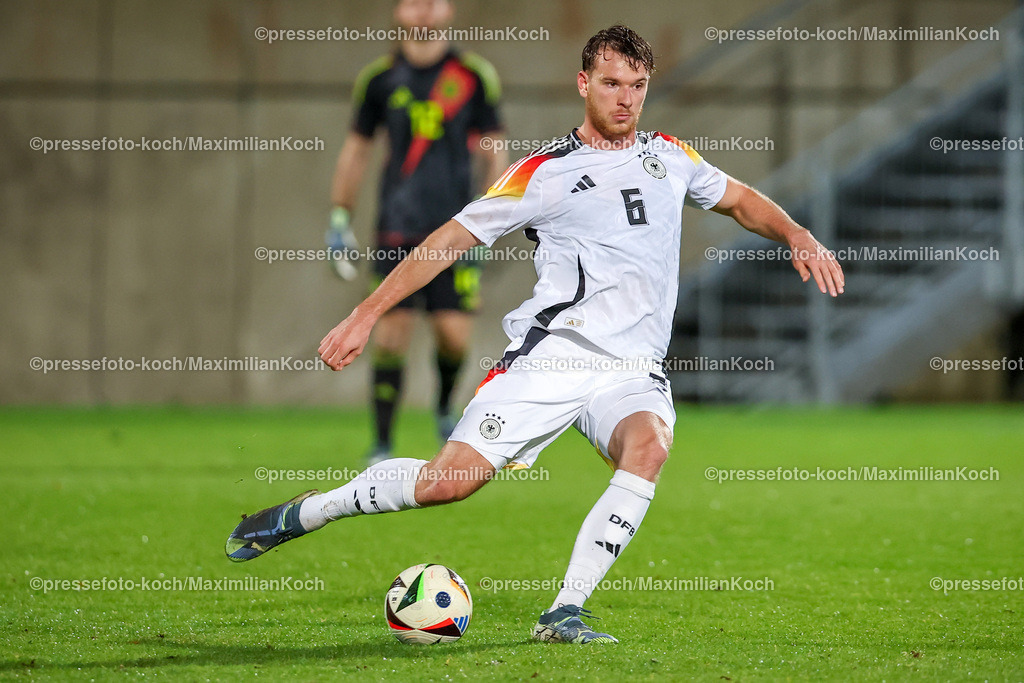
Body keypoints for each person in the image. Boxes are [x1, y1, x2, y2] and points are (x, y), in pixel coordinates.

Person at [228, 24, 844, 644]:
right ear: (583, 84)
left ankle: (563, 612)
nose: (625, 99)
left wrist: (796, 234)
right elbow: (451, 239)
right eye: (610, 83)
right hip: (554, 357)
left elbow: (738, 200)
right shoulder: (542, 174)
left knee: (648, 447)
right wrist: (366, 312)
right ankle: (308, 510)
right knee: (446, 485)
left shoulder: (671, 156)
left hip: (633, 368)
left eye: (637, 85)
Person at [327, 0, 507, 462]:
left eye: (433, 2)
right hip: (397, 228)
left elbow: (494, 148)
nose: (424, 11)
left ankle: (444, 407)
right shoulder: (379, 79)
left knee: (454, 337)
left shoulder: (473, 76)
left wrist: (495, 213)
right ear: (398, 12)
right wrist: (339, 216)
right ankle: (382, 443)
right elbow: (356, 150)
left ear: (448, 11)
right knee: (389, 336)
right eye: (414, 2)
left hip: (456, 230)